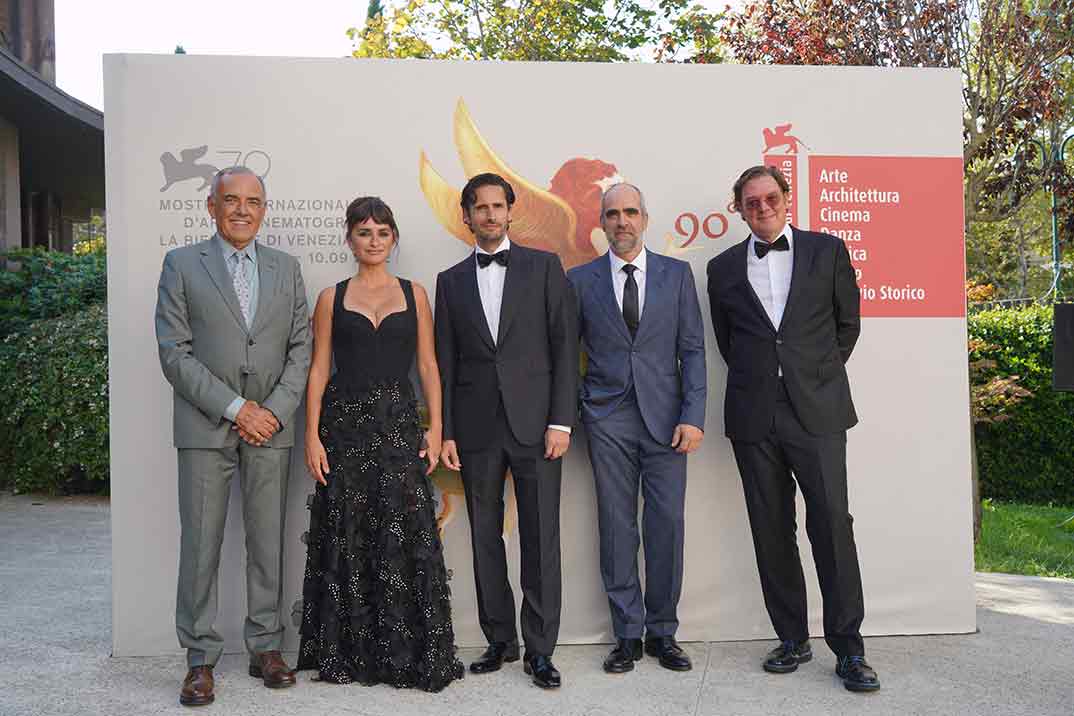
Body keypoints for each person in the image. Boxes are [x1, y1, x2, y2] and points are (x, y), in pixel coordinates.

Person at [706, 165, 880, 692]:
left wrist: (813, 376)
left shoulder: (828, 251)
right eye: (750, 202)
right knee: (770, 528)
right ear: (738, 208)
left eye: (770, 198)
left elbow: (847, 325)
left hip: (818, 411)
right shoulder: (721, 268)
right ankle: (792, 638)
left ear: (787, 199)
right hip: (754, 414)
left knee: (831, 524)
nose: (762, 208)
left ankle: (849, 649)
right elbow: (727, 341)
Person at [155, 166, 311, 707]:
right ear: (212, 207)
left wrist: (272, 410)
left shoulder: (287, 269)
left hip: (272, 427)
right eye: (231, 200)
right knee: (201, 545)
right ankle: (200, 660)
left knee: (267, 542)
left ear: (264, 209)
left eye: (252, 201)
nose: (242, 209)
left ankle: (267, 647)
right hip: (205, 427)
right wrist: (235, 407)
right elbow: (174, 352)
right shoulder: (180, 264)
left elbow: (301, 350)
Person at [296, 196, 464, 692]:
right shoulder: (331, 297)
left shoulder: (416, 294)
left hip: (397, 428)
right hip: (344, 429)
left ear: (393, 239)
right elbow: (319, 368)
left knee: (402, 531)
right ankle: (349, 652)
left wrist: (434, 428)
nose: (373, 240)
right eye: (364, 232)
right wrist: (311, 434)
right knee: (347, 531)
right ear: (349, 239)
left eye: (382, 232)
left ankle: (404, 653)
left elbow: (429, 365)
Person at [433, 172, 578, 689]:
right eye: (481, 208)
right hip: (475, 428)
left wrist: (561, 420)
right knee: (484, 536)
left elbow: (565, 347)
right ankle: (499, 639)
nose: (490, 215)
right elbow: (445, 363)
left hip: (538, 425)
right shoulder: (448, 282)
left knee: (541, 537)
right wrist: (447, 430)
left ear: (510, 211)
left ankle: (540, 649)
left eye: (498, 206)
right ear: (466, 216)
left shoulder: (544, 267)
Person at [568, 183, 706, 674]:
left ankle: (662, 632)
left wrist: (693, 415)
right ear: (601, 223)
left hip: (668, 419)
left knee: (666, 523)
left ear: (644, 219)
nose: (621, 221)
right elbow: (566, 356)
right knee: (616, 525)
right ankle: (626, 634)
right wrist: (574, 412)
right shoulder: (580, 280)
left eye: (630, 212)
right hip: (607, 419)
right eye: (612, 214)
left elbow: (692, 349)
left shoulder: (676, 275)